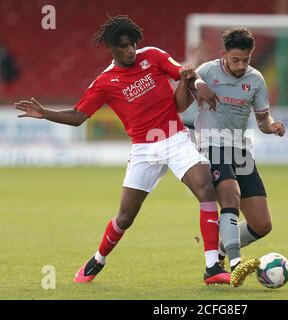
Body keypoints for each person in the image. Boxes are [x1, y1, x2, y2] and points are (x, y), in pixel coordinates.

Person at [14, 15, 231, 285]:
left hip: (175, 139)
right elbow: (78, 115)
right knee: (125, 217)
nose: (130, 50)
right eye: (124, 46)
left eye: (132, 45)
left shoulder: (153, 56)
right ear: (112, 49)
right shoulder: (105, 82)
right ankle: (98, 259)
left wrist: (198, 84)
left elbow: (185, 73)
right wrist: (45, 113)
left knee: (205, 187)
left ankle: (212, 266)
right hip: (143, 151)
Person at [175, 27, 286, 287]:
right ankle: (235, 264)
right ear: (223, 54)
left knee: (262, 224)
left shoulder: (256, 80)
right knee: (230, 194)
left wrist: (272, 126)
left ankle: (223, 248)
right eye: (235, 60)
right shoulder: (207, 72)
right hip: (211, 145)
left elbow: (262, 119)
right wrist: (195, 84)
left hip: (241, 149)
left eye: (245, 60)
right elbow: (180, 103)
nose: (240, 65)